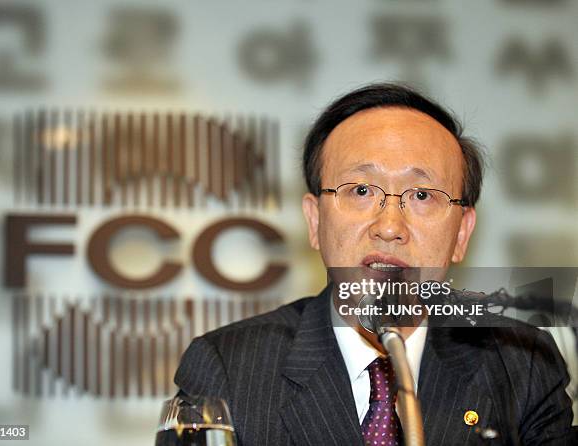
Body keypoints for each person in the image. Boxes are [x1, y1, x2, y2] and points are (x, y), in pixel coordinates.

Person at [174, 83, 575, 445]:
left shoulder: (521, 363)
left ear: (462, 233)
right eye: (361, 190)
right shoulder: (228, 368)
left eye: (422, 195)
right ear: (315, 222)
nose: (389, 227)